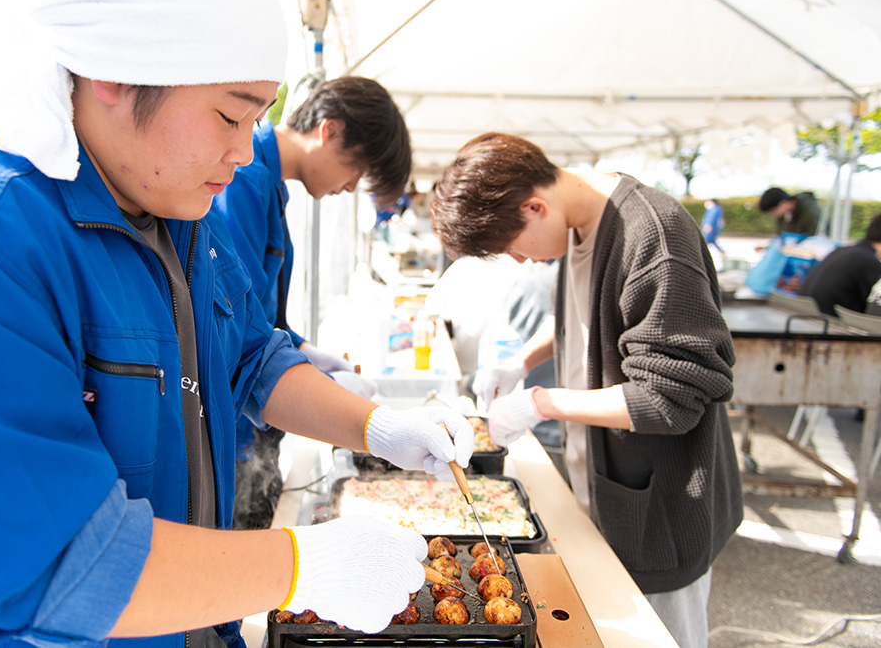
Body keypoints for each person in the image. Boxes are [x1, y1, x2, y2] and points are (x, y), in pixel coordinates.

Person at [0, 0, 476, 646]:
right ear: (114, 71)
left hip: (191, 620)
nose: (248, 153)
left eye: (257, 121)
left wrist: (379, 426)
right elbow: (47, 568)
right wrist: (302, 564)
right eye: (230, 116)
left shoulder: (173, 210)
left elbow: (250, 356)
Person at [428, 133, 743, 648]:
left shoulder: (653, 237)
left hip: (661, 505)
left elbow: (673, 396)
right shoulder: (577, 224)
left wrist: (540, 402)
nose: (522, 260)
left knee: (656, 635)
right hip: (604, 487)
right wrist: (523, 360)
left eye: (513, 247)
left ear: (536, 206)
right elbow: (589, 314)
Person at [212, 76, 410, 529]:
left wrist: (304, 351)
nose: (351, 185)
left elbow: (261, 312)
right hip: (238, 415)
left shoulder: (271, 184)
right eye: (356, 170)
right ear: (330, 130)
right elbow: (234, 321)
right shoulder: (243, 177)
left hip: (255, 408)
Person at [798, 213, 881, 316]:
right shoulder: (869, 261)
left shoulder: (843, 251)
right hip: (830, 323)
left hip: (804, 314)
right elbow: (873, 306)